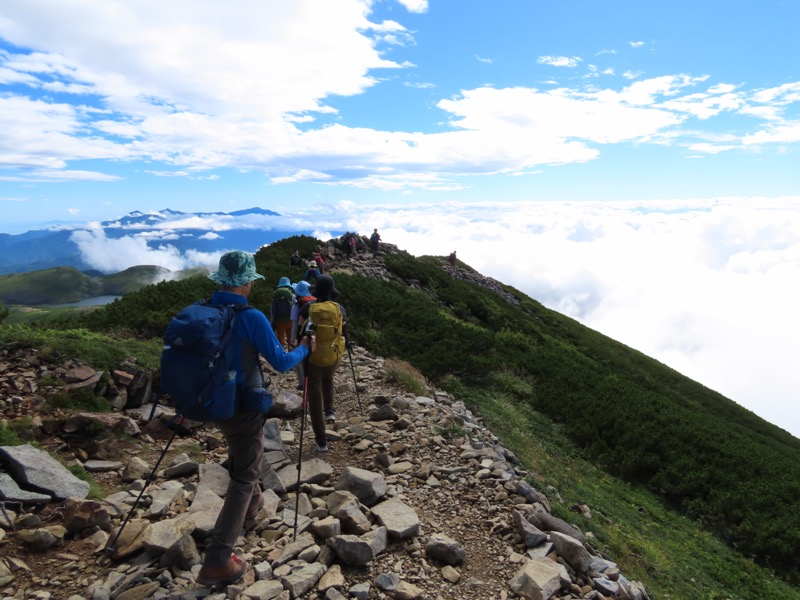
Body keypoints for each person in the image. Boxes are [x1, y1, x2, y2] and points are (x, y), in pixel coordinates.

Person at [196, 251, 314, 587]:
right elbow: (280, 361)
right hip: (241, 405)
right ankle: (217, 561)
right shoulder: (250, 317)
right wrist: (305, 346)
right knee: (245, 476)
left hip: (209, 402)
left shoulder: (203, 309)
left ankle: (252, 507)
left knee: (242, 454)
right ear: (247, 282)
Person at [298, 274, 348, 453]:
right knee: (329, 378)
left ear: (316, 290)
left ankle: (321, 440)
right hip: (333, 355)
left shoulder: (308, 307)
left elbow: (300, 330)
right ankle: (331, 411)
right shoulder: (339, 308)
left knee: (314, 394)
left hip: (313, 357)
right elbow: (344, 330)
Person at [290, 280, 316, 390]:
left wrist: (292, 340)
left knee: (300, 362)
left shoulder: (297, 306)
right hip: (316, 337)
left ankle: (303, 383)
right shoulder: (316, 302)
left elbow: (295, 325)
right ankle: (314, 381)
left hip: (303, 338)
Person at [270, 276, 295, 350]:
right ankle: (290, 353)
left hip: (279, 321)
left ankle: (281, 354)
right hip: (290, 320)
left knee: (280, 338)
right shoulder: (291, 295)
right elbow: (295, 306)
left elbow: (273, 310)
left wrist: (272, 322)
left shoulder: (275, 295)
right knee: (290, 338)